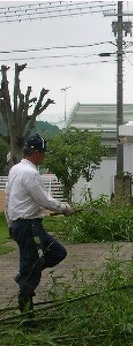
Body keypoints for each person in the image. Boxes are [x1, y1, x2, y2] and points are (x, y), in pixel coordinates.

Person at [5, 134, 75, 315]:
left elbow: (9, 196)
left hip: (28, 225)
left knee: (58, 252)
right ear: (35, 153)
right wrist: (64, 208)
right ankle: (26, 315)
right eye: (43, 152)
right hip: (28, 226)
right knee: (31, 266)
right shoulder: (30, 173)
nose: (44, 156)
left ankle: (24, 276)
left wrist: (9, 223)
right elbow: (44, 200)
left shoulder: (16, 169)